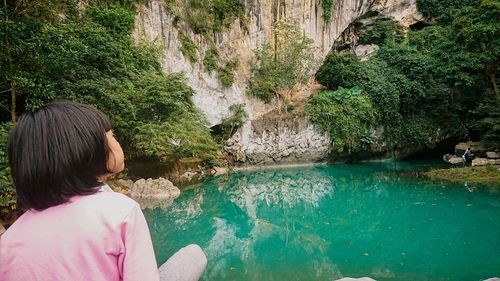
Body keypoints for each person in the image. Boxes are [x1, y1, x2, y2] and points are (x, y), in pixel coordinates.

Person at [0, 100, 206, 281]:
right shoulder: (120, 213)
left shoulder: (9, 239)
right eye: (112, 136)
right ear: (87, 149)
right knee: (194, 255)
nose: (117, 141)